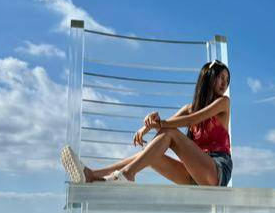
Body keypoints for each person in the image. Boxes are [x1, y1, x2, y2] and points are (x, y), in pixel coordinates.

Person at [61, 59, 232, 186]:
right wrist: (149, 125)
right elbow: (166, 127)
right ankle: (92, 175)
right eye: (221, 77)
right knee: (149, 154)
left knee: (169, 132)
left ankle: (127, 175)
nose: (225, 83)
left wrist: (158, 124)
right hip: (193, 175)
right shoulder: (189, 108)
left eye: (227, 79)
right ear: (208, 78)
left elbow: (191, 120)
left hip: (216, 170)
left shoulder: (223, 102)